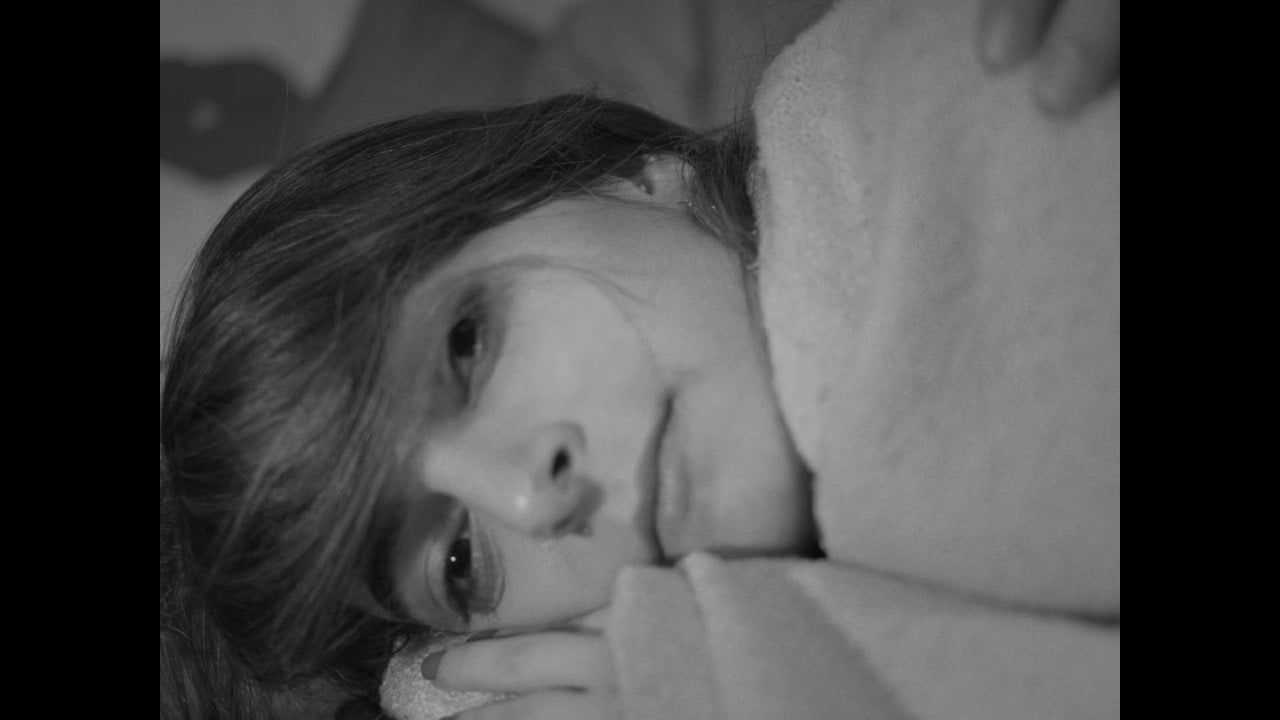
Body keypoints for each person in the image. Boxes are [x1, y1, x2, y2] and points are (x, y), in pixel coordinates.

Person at [159, 1, 1118, 718]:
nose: (531, 497)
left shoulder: (965, 84)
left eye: (468, 345)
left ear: (626, 177)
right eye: (458, 562)